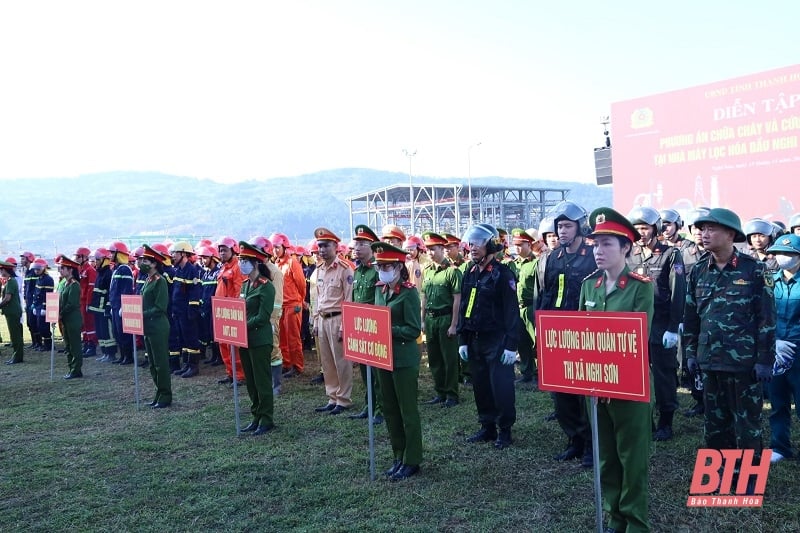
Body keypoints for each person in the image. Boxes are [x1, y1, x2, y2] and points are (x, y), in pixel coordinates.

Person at [683, 208, 776, 490]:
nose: (704, 233)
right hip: (710, 361)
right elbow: (691, 315)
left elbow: (766, 318)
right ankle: (718, 475)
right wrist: (689, 352)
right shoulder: (699, 269)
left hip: (745, 364)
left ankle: (749, 479)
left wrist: (764, 359)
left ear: (731, 234)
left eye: (711, 228)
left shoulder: (754, 269)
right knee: (715, 424)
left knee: (748, 425)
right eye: (701, 228)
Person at [580, 207, 655, 533]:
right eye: (595, 244)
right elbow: (580, 337)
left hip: (629, 386)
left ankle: (635, 522)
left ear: (626, 247)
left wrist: (612, 380)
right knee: (605, 455)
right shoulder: (589, 286)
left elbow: (636, 342)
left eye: (607, 244)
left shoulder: (640, 287)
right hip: (595, 388)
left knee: (632, 459)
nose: (598, 251)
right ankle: (614, 517)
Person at [537, 201, 597, 466]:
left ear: (581, 227)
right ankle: (574, 438)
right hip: (557, 331)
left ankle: (592, 446)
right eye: (559, 227)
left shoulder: (593, 254)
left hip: (584, 331)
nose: (561, 232)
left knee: (586, 393)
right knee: (562, 392)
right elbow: (548, 292)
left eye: (567, 226)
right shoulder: (554, 257)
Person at [457, 223, 519, 450]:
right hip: (475, 339)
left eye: (478, 243)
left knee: (500, 387)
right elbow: (465, 306)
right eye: (471, 243)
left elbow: (512, 312)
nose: (472, 248)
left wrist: (511, 346)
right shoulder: (470, 273)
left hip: (497, 340)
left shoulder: (503, 275)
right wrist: (463, 340)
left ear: (491, 245)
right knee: (481, 385)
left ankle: (505, 430)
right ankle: (487, 425)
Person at [627, 206, 686, 441]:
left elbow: (678, 291)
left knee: (664, 375)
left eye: (645, 228)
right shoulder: (628, 254)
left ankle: (666, 421)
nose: (641, 232)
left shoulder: (670, 254)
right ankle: (644, 419)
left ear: (655, 228)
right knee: (637, 375)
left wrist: (674, 327)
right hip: (635, 324)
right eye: (637, 228)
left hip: (661, 324)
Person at [371, 241, 423, 480]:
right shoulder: (380, 290)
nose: (382, 270)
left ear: (399, 267)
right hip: (384, 356)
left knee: (407, 410)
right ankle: (398, 455)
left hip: (404, 358)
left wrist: (387, 329)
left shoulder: (409, 292)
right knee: (389, 408)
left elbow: (413, 330)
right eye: (379, 265)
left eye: (387, 266)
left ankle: (412, 459)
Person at [311, 227, 355, 414]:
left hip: (338, 319)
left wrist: (345, 326)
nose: (322, 250)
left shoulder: (345, 269)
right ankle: (332, 397)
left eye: (326, 245)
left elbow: (349, 298)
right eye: (320, 246)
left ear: (335, 246)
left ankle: (344, 399)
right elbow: (317, 297)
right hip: (322, 319)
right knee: (327, 362)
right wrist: (314, 320)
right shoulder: (319, 270)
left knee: (341, 362)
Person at [765, 234, 800, 462]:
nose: (783, 258)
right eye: (779, 253)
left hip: (798, 351)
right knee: (777, 401)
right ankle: (780, 447)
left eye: (789, 254)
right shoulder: (769, 281)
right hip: (775, 350)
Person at [238, 241, 277, 435]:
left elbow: (263, 316)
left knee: (262, 380)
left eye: (244, 260)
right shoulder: (245, 285)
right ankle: (256, 415)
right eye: (240, 259)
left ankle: (266, 418)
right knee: (251, 381)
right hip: (244, 340)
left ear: (255, 262)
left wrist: (242, 325)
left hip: (260, 339)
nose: (241, 263)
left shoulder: (265, 286)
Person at [420, 231, 462, 407]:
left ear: (442, 249)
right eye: (428, 249)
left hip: (445, 318)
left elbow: (457, 300)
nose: (430, 252)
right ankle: (440, 392)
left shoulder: (452, 272)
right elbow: (424, 297)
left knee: (449, 359)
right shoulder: (427, 271)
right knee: (434, 358)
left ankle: (452, 394)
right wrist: (422, 319)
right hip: (430, 319)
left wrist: (453, 324)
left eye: (433, 248)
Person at [348, 224, 384, 424]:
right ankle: (369, 405)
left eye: (362, 243)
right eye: (356, 243)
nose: (357, 247)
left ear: (372, 246)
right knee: (365, 371)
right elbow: (354, 299)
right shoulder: (358, 271)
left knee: (377, 373)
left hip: (374, 327)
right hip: (360, 327)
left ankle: (381, 409)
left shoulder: (377, 270)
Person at [139, 245, 173, 408]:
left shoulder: (160, 281)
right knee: (152, 363)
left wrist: (141, 314)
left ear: (154, 264)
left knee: (161, 362)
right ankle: (158, 393)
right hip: (148, 327)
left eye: (145, 261)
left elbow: (160, 307)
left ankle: (165, 396)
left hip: (158, 326)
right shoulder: (148, 280)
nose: (141, 263)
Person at [271, 233, 307, 378]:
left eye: (277, 247)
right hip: (281, 306)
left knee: (293, 337)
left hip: (293, 305)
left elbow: (301, 284)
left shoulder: (292, 263)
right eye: (273, 248)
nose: (275, 250)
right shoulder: (276, 264)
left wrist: (300, 300)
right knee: (282, 338)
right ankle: (286, 364)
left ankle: (297, 366)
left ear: (284, 247)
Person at [215, 237, 246, 385]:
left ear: (233, 250)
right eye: (220, 250)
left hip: (231, 311)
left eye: (225, 250)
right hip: (220, 311)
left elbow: (239, 290)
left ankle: (239, 375)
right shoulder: (224, 268)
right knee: (223, 344)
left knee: (234, 347)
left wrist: (235, 310)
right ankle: (230, 373)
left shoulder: (237, 268)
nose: (221, 253)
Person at [511, 228, 539, 385]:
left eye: (521, 245)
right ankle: (527, 372)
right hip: (518, 308)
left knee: (536, 341)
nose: (517, 248)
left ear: (529, 245)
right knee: (522, 341)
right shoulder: (514, 265)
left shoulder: (536, 263)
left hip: (531, 307)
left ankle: (541, 374)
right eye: (515, 245)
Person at [88, 248, 117, 362]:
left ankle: (111, 354)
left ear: (105, 260)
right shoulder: (99, 273)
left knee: (107, 332)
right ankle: (105, 353)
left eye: (98, 259)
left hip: (104, 308)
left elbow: (110, 292)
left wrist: (108, 307)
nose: (96, 261)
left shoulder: (108, 273)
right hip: (97, 308)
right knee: (100, 332)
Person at [108, 242, 135, 365]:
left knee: (124, 333)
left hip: (121, 306)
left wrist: (123, 306)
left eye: (113, 252)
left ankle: (128, 356)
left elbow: (127, 289)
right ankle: (123, 355)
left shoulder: (125, 269)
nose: (110, 255)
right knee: (117, 332)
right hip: (115, 306)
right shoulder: (117, 269)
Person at [57, 255, 84, 379]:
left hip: (72, 318)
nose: (60, 270)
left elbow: (71, 304)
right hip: (66, 318)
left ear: (70, 270)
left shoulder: (74, 285)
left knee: (75, 345)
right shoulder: (65, 284)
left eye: (63, 268)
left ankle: (76, 369)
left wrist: (60, 312)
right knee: (68, 345)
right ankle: (71, 367)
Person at [197, 246, 222, 366]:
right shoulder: (205, 274)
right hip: (206, 309)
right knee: (209, 333)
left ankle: (219, 357)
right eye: (201, 258)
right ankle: (214, 356)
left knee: (216, 333)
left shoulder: (218, 272)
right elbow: (202, 291)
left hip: (215, 309)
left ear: (213, 258)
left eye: (205, 258)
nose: (202, 260)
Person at [74, 247, 98, 357]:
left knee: (89, 324)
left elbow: (90, 288)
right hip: (80, 301)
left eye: (78, 256)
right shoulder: (80, 269)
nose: (76, 258)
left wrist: (89, 303)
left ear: (85, 257)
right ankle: (86, 343)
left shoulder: (90, 270)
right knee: (83, 325)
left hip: (86, 301)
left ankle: (92, 345)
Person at [0, 259, 24, 364]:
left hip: (12, 312)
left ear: (7, 270)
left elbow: (7, 298)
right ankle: (16, 356)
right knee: (15, 335)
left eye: (2, 271)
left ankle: (17, 357)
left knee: (15, 336)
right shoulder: (11, 281)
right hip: (12, 312)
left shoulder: (11, 281)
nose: (1, 273)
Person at [32, 258, 55, 353]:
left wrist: (45, 308)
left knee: (44, 327)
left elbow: (48, 295)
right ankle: (45, 344)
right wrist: (34, 304)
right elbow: (36, 292)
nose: (36, 271)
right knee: (39, 326)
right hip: (38, 306)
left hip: (43, 306)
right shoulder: (39, 279)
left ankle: (48, 345)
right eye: (35, 269)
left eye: (38, 269)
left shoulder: (48, 279)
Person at [19, 251, 41, 350]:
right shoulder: (27, 272)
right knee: (30, 323)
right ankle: (34, 342)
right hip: (28, 301)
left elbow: (36, 288)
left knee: (35, 322)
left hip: (34, 302)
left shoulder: (33, 272)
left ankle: (39, 342)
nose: (21, 260)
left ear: (29, 259)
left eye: (23, 258)